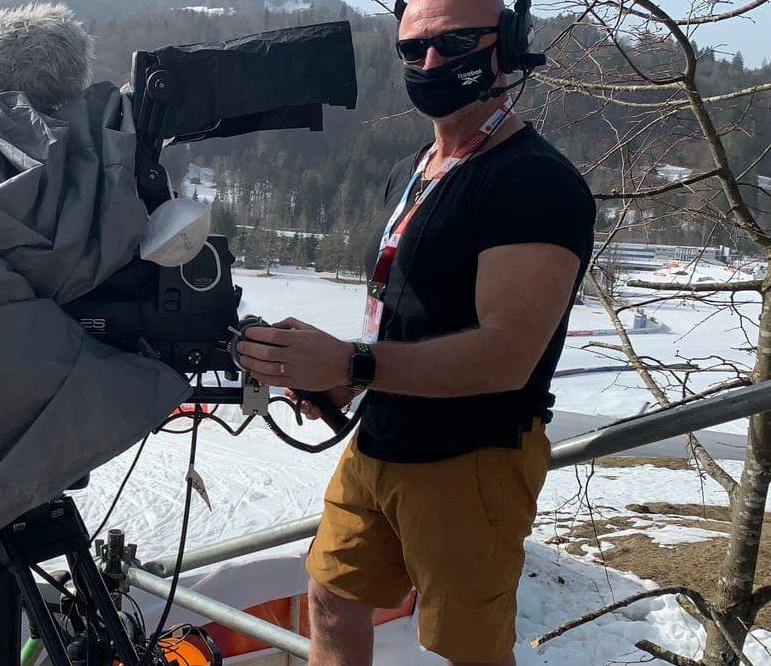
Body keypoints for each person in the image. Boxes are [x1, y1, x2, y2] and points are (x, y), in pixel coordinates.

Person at [234, 0, 595, 663]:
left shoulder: (533, 182)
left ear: (505, 46)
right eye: (411, 49)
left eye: (453, 42)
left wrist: (352, 365)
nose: (429, 63)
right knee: (330, 598)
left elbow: (506, 357)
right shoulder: (410, 172)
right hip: (381, 439)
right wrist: (338, 377)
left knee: (466, 648)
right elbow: (406, 315)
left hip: (472, 458)